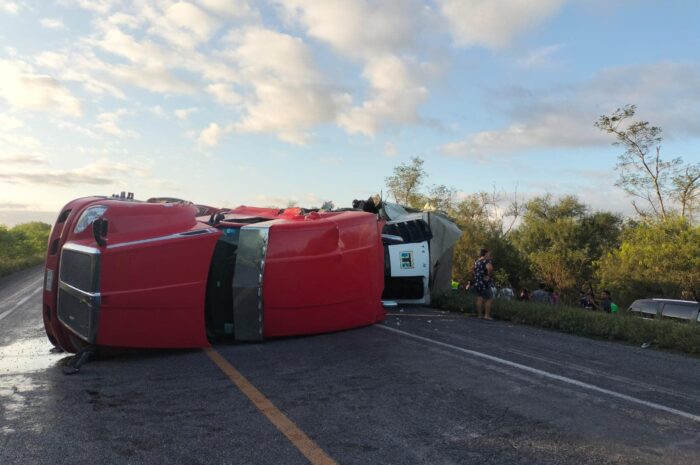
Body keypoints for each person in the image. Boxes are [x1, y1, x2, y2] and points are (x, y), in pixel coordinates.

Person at [473, 248, 494, 320]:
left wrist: (477, 276)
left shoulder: (477, 262)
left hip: (477, 282)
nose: (489, 255)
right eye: (488, 254)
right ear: (485, 254)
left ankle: (479, 315)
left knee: (479, 298)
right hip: (484, 283)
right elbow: (490, 268)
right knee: (489, 298)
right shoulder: (486, 261)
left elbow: (472, 269)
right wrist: (488, 275)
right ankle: (487, 316)